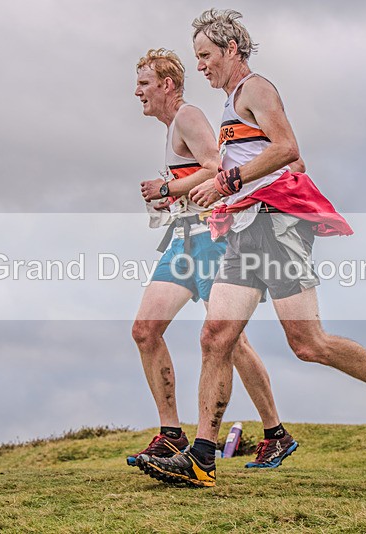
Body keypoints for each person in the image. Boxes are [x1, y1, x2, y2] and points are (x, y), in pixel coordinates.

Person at [136, 10, 366, 488]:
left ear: (231, 49)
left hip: (277, 224)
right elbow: (259, 158)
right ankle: (201, 458)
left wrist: (228, 180)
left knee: (308, 344)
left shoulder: (257, 88)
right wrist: (219, 190)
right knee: (216, 336)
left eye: (207, 56)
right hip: (244, 227)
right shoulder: (230, 103)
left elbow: (289, 149)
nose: (202, 66)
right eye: (198, 57)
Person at [128, 49, 298, 470]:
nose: (137, 93)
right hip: (182, 241)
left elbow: (217, 166)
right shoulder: (172, 127)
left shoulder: (188, 117)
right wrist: (173, 195)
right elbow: (196, 175)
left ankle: (275, 433)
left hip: (211, 239)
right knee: (145, 331)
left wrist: (168, 191)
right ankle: (170, 435)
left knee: (229, 342)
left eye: (144, 84)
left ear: (167, 86)